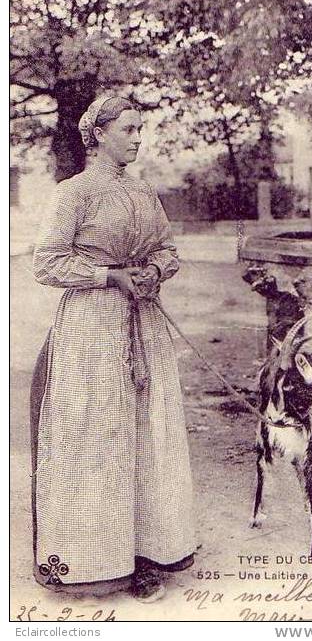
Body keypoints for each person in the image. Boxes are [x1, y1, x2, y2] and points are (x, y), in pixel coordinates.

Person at [30, 94, 196, 601]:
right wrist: (108, 276)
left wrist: (152, 271)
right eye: (129, 129)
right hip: (91, 330)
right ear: (99, 134)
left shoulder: (145, 194)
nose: (138, 138)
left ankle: (147, 555)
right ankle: (91, 563)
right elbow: (47, 263)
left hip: (144, 327)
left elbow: (168, 249)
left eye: (141, 129)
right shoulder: (73, 194)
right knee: (97, 435)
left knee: (148, 434)